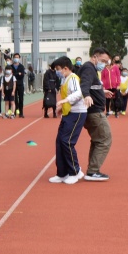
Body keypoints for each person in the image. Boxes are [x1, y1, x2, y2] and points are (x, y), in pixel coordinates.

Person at [48, 57, 87, 185]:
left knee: (67, 141)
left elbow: (78, 93)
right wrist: (62, 107)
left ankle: (75, 171)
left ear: (65, 68)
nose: (57, 72)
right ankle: (62, 173)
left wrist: (66, 100)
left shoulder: (73, 78)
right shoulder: (64, 79)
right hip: (68, 113)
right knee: (60, 141)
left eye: (58, 69)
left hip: (77, 113)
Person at [78, 47, 113, 181]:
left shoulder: (92, 69)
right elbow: (85, 84)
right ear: (95, 57)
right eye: (103, 61)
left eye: (106, 62)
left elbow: (91, 85)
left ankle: (92, 170)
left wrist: (101, 92)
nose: (104, 64)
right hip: (94, 112)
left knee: (97, 140)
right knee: (105, 139)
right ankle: (93, 171)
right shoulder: (88, 68)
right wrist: (86, 95)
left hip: (93, 111)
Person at [11, 53, 26, 117]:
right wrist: (18, 74)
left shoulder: (21, 66)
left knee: (21, 98)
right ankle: (14, 111)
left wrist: (16, 74)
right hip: (13, 85)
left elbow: (22, 75)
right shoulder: (11, 67)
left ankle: (21, 112)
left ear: (19, 58)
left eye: (17, 57)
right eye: (15, 57)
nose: (16, 58)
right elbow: (11, 75)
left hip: (20, 84)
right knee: (14, 99)